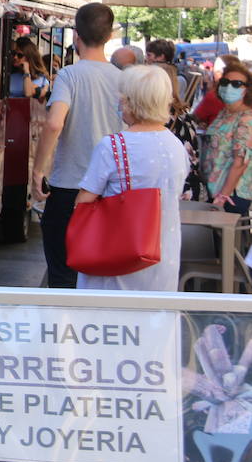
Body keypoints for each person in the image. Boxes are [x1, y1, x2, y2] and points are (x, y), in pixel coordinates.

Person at [31, 2, 124, 289]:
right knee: (101, 273)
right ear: (109, 37)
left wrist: (37, 171)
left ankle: (65, 329)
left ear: (76, 36)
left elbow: (55, 123)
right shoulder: (124, 79)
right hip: (111, 188)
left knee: (63, 272)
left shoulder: (69, 76)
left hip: (70, 185)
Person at [73, 65, 189, 292]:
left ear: (132, 102)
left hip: (116, 253)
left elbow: (85, 200)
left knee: (110, 319)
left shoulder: (113, 146)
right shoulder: (176, 146)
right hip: (163, 253)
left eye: (123, 98)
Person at [200, 59, 252, 214]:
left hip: (231, 194)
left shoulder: (246, 119)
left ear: (247, 90)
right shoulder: (225, 113)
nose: (229, 87)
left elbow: (240, 161)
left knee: (230, 238)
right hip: (214, 188)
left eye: (236, 84)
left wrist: (224, 195)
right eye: (225, 81)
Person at [145, 38, 183, 107]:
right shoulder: (174, 73)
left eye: (149, 55)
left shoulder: (156, 74)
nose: (146, 58)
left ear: (161, 57)